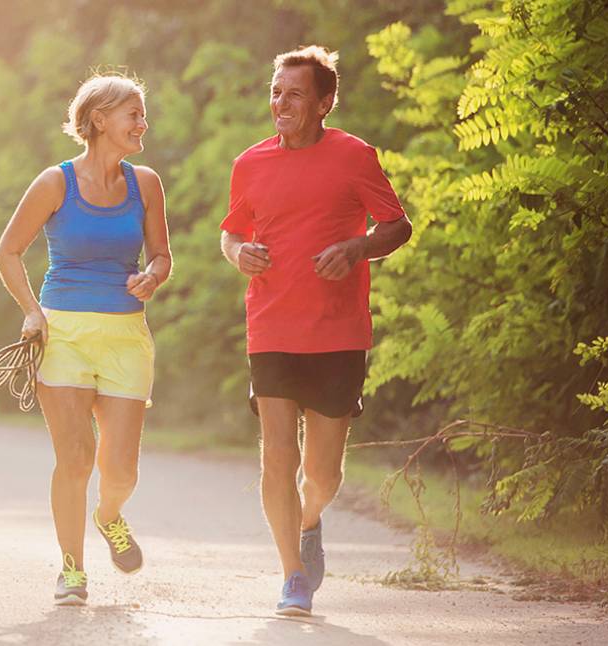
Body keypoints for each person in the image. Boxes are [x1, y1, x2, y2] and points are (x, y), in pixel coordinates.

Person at [218, 45, 413, 617]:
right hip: (271, 324)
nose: (281, 102)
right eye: (277, 91)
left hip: (338, 331)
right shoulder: (249, 163)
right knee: (277, 456)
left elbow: (397, 226)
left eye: (295, 93)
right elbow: (229, 232)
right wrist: (238, 253)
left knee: (322, 473)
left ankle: (309, 520)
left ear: (324, 102)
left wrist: (357, 248)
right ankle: (292, 575)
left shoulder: (354, 156)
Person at [0, 73, 171, 606]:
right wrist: (31, 312)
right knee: (74, 459)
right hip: (63, 333)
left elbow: (162, 254)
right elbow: (8, 252)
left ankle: (109, 515)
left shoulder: (146, 184)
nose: (143, 123)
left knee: (121, 469)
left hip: (125, 336)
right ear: (99, 120)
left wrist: (154, 276)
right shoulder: (55, 182)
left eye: (142, 115)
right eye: (133, 115)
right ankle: (72, 569)